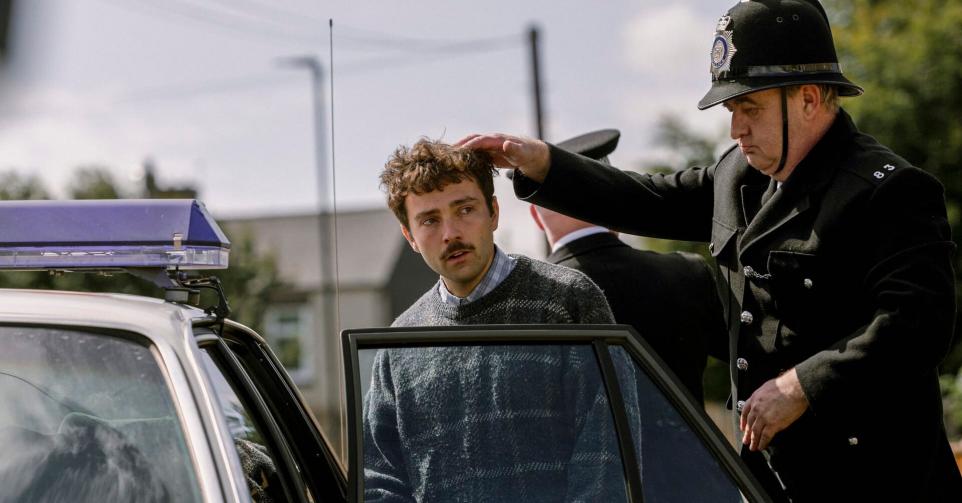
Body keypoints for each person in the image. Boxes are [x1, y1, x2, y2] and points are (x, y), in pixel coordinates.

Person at [459, 0, 962, 501]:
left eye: (750, 108)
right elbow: (648, 199)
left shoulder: (888, 190)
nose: (736, 129)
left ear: (808, 99)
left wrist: (802, 385)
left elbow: (919, 322)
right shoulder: (739, 176)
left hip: (880, 480)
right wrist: (543, 163)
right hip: (776, 478)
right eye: (731, 111)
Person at [365, 138, 630, 502]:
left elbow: (606, 454)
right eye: (430, 220)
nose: (450, 233)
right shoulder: (400, 342)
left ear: (493, 212)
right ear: (410, 236)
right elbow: (378, 478)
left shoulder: (566, 300)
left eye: (465, 209)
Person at [530, 128, 727, 402]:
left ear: (536, 217)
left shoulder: (530, 296)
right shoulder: (688, 273)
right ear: (613, 193)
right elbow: (752, 359)